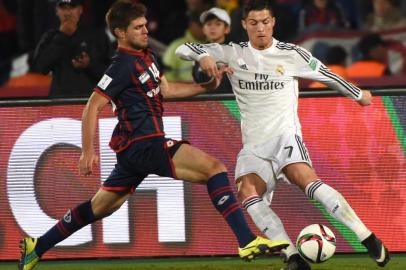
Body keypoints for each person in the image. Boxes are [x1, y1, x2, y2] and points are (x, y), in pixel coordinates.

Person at [18, 1, 289, 270]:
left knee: (99, 208)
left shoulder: (147, 56)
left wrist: (205, 87)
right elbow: (92, 107)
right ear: (120, 32)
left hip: (135, 151)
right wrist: (88, 151)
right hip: (144, 143)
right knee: (214, 169)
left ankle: (37, 247)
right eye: (137, 27)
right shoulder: (120, 67)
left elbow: (167, 92)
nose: (145, 31)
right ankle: (246, 240)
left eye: (145, 25)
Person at [175, 0, 391, 269]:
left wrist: (359, 95)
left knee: (303, 177)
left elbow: (327, 75)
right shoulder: (232, 52)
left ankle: (366, 237)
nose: (260, 28)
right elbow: (185, 48)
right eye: (254, 23)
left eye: (265, 22)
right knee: (247, 191)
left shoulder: (292, 54)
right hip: (253, 145)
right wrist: (204, 56)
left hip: (285, 136)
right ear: (244, 25)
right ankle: (292, 257)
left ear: (273, 22)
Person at [32, 0, 113, 98]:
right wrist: (61, 37)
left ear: (80, 10)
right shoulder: (50, 37)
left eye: (72, 7)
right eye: (63, 8)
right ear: (56, 11)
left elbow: (111, 75)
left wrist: (90, 65)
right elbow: (40, 68)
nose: (67, 13)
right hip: (60, 102)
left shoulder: (97, 36)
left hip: (90, 102)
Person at [192, 7, 233, 93]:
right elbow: (198, 79)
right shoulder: (197, 51)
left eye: (218, 24)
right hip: (205, 102)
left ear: (227, 29)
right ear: (203, 29)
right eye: (209, 24)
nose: (212, 28)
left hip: (231, 102)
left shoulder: (236, 50)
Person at [162, 10, 206, 82]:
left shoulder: (216, 45)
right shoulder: (176, 47)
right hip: (184, 91)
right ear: (191, 24)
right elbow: (166, 78)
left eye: (208, 24)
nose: (205, 28)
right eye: (200, 25)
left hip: (213, 92)